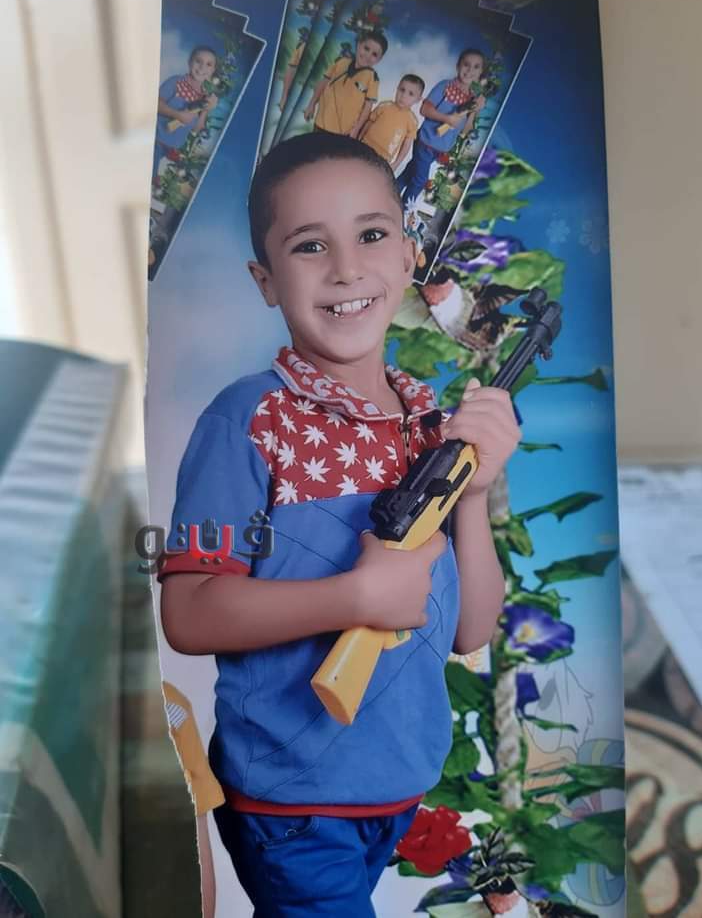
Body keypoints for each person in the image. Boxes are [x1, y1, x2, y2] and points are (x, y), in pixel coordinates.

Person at [159, 131, 520, 916]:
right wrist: (353, 598)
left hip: (395, 783)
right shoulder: (249, 419)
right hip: (293, 801)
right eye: (309, 245)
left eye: (372, 234)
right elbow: (187, 612)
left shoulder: (428, 422)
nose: (347, 269)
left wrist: (474, 492)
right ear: (265, 279)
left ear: (409, 256)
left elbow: (470, 629)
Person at [397, 48, 487, 206]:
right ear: (458, 65)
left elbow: (466, 130)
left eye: (476, 67)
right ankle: (402, 210)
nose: (470, 70)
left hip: (440, 149)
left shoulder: (471, 99)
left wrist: (475, 110)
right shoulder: (445, 86)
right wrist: (446, 118)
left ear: (480, 73)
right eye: (466, 64)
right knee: (420, 180)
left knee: (410, 173)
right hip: (425, 142)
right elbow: (424, 109)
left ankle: (389, 192)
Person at [303, 32, 387, 138]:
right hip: (321, 122)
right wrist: (311, 104)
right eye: (366, 48)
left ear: (379, 59)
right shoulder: (341, 62)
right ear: (359, 45)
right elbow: (323, 82)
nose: (368, 55)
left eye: (374, 54)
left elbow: (367, 107)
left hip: (343, 132)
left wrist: (356, 129)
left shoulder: (372, 78)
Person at [153, 45, 219, 176]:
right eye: (198, 61)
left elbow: (196, 129)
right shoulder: (176, 82)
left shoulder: (204, 97)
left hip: (171, 149)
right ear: (189, 62)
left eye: (208, 64)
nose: (202, 67)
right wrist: (177, 114)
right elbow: (155, 104)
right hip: (155, 140)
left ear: (213, 70)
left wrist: (206, 109)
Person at [358, 74, 424, 172]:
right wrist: (358, 140)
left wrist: (396, 164)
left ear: (418, 99)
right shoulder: (384, 106)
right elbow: (369, 123)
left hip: (383, 157)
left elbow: (406, 145)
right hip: (365, 145)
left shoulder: (412, 121)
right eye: (402, 90)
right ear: (397, 89)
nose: (403, 96)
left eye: (411, 94)